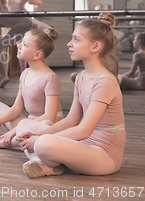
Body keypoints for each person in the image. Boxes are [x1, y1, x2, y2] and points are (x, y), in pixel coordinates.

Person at [16, 13, 125, 178]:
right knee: (24, 125)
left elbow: (83, 130)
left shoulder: (105, 81)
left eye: (76, 39)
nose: (69, 43)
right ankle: (46, 163)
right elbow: (71, 120)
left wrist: (39, 139)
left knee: (43, 142)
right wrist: (37, 136)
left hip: (103, 156)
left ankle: (45, 160)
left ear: (95, 47)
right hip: (83, 146)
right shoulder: (81, 77)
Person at [0, 28, 62, 149]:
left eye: (25, 44)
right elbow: (17, 108)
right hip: (26, 125)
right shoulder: (25, 74)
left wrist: (15, 130)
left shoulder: (50, 78)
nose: (19, 45)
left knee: (38, 124)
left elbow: (50, 116)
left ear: (37, 54)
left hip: (47, 127)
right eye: (21, 42)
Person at [3, 0, 49, 72]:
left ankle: (24, 71)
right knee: (48, 30)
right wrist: (36, 3)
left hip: (17, 23)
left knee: (21, 45)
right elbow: (38, 2)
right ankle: (36, 64)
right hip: (26, 21)